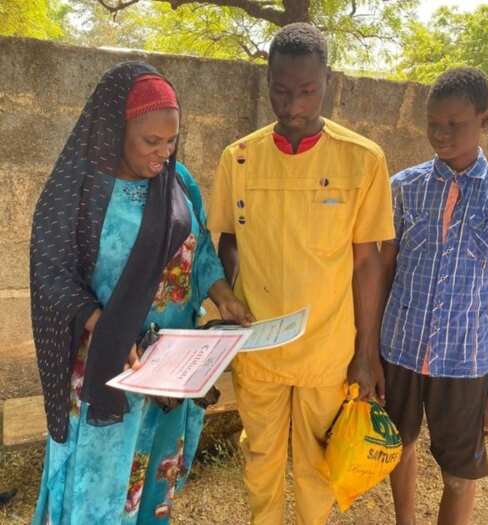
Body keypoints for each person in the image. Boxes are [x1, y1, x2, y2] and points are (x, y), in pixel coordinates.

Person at [29, 62, 251, 524]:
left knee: (152, 486)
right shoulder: (81, 190)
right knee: (101, 493)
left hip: (171, 370)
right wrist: (103, 324)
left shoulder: (178, 181)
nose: (163, 153)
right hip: (111, 367)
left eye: (171, 141)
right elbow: (52, 274)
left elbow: (200, 248)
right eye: (152, 142)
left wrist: (222, 294)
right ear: (116, 130)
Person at [207, 23, 394, 524]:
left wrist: (366, 354)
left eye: (307, 91)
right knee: (261, 458)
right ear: (266, 81)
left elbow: (367, 262)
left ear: (328, 81)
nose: (292, 106)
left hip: (327, 349)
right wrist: (227, 307)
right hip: (259, 344)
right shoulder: (239, 158)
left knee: (316, 463)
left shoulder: (362, 160)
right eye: (281, 91)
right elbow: (227, 240)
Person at [380, 67, 488, 525]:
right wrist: (370, 352)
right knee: (399, 445)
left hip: (465, 360)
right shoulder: (403, 188)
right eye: (434, 122)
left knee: (459, 474)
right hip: (400, 348)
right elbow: (385, 270)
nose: (441, 133)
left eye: (455, 124)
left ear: (485, 120)